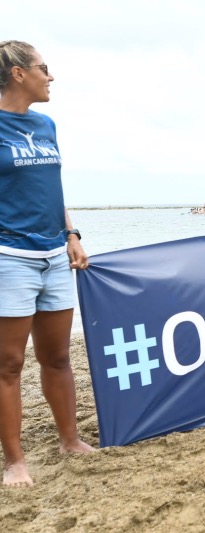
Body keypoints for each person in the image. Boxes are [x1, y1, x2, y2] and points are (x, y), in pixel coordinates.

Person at [0, 40, 95, 487]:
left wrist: (71, 234)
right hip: (9, 259)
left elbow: (51, 192)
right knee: (8, 365)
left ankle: (69, 440)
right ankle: (15, 461)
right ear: (18, 73)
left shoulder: (46, 124)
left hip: (55, 255)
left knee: (57, 356)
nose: (50, 75)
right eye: (43, 67)